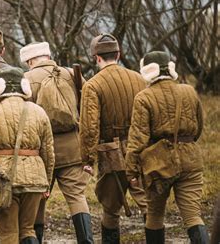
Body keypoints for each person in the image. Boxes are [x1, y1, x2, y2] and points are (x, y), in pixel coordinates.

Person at [0, 66, 55, 243]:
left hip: (3, 179)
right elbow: (49, 152)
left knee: (7, 233)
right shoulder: (39, 112)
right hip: (36, 180)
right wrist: (47, 184)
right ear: (23, 86)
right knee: (28, 230)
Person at [125, 51, 209, 243]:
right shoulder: (189, 91)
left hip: (158, 165)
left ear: (146, 71)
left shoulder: (143, 98)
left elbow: (138, 139)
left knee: (154, 215)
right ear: (169, 69)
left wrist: (130, 172)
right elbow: (199, 127)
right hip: (191, 159)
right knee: (193, 215)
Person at [21, 42, 94, 243]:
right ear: (48, 55)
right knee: (77, 197)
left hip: (41, 152)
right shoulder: (71, 73)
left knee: (37, 200)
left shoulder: (26, 79)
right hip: (72, 147)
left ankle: (35, 239)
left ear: (29, 60)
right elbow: (88, 104)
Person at [79, 34, 147, 243]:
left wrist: (88, 159)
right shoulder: (140, 79)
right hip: (141, 150)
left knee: (110, 208)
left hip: (111, 153)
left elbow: (89, 128)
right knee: (148, 204)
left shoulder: (92, 85)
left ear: (96, 58)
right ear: (118, 54)